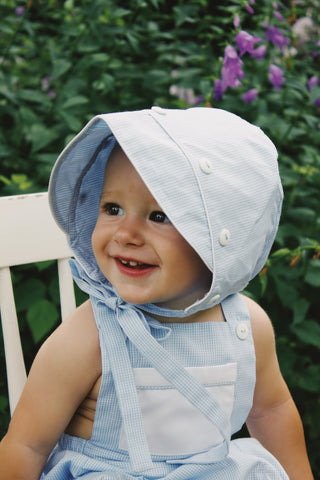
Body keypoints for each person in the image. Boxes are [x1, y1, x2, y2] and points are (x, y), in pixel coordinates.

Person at [0, 107, 314, 480]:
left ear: (218, 235)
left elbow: (271, 411)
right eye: (112, 208)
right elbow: (26, 445)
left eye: (159, 216)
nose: (127, 234)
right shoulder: (90, 335)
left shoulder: (246, 325)